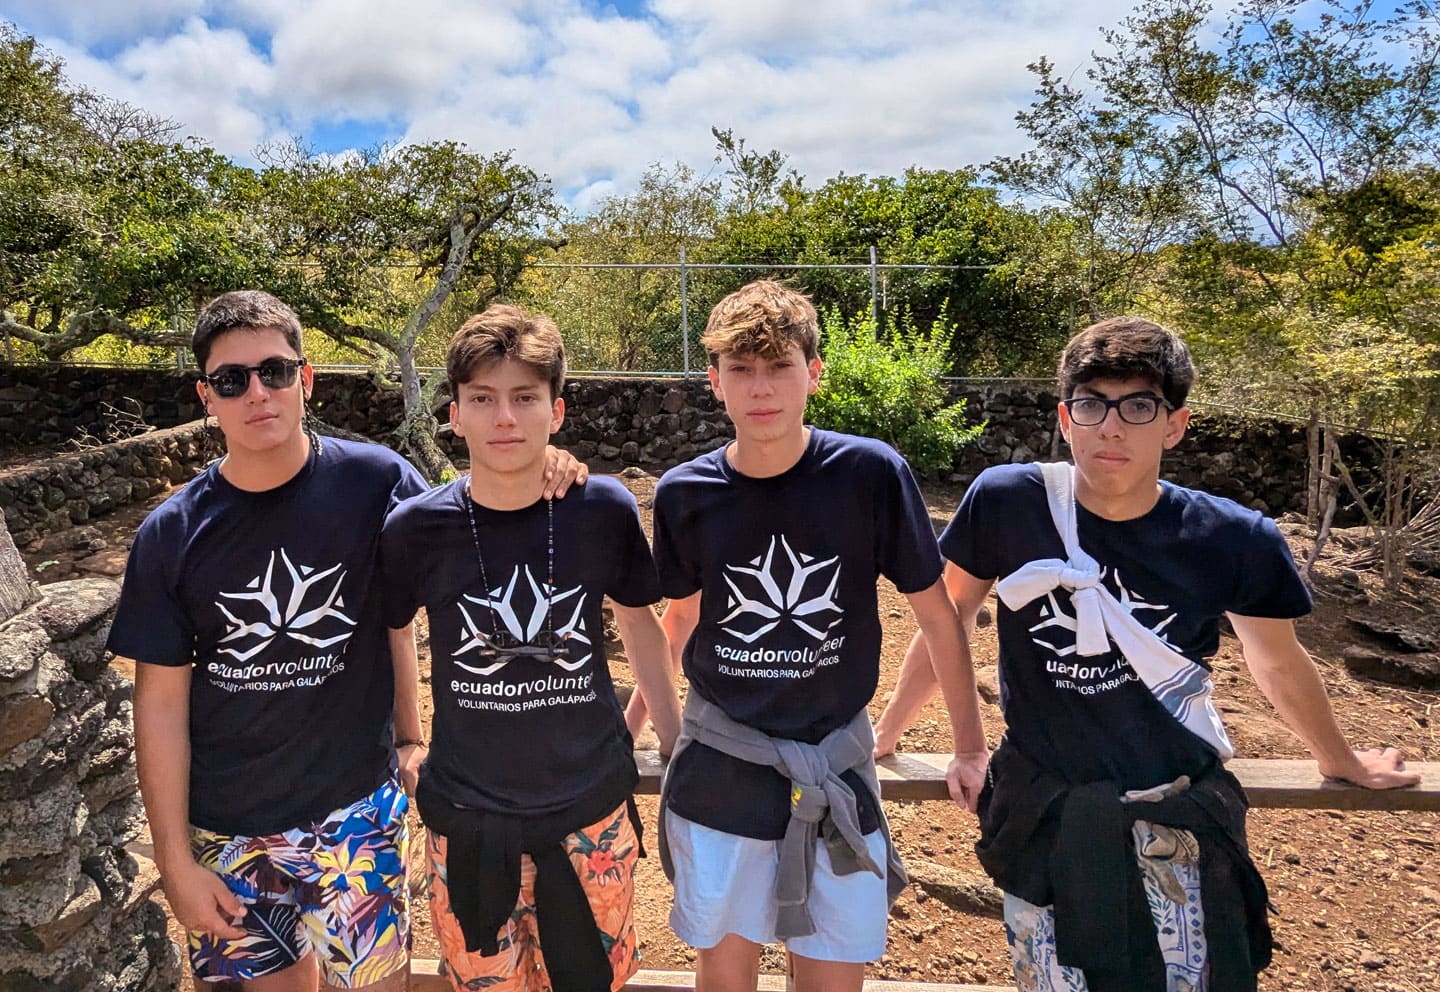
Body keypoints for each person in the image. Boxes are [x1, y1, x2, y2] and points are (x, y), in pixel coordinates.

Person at [874, 315, 1419, 991]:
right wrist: (891, 732)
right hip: (1048, 809)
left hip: (1178, 806)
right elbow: (947, 621)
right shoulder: (1007, 503)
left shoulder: (1232, 537)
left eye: (1138, 407)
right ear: (1065, 417)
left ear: (1175, 425)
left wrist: (1339, 760)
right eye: (1092, 404)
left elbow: (1276, 662)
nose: (1111, 427)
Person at [109, 290, 585, 991]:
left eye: (274, 371)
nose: (257, 393)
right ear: (206, 395)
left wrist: (545, 460)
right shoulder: (173, 533)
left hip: (357, 815)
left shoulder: (376, 483)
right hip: (227, 830)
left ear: (306, 378)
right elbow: (158, 704)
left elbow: (473, 529)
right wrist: (176, 863)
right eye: (231, 380)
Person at [627, 279, 989, 992]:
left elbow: (937, 611)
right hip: (723, 763)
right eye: (742, 370)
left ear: (814, 374)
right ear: (715, 383)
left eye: (780, 366)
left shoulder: (870, 475)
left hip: (834, 763)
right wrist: (632, 726)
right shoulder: (684, 493)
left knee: (830, 981)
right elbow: (681, 619)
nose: (762, 388)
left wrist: (972, 745)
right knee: (723, 979)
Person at [379, 304, 682, 992]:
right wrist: (407, 738)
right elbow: (394, 627)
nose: (504, 419)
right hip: (467, 821)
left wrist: (675, 742)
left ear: (558, 410)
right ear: (453, 413)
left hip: (591, 816)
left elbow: (639, 624)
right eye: (482, 400)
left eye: (524, 398)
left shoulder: (599, 508)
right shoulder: (415, 529)